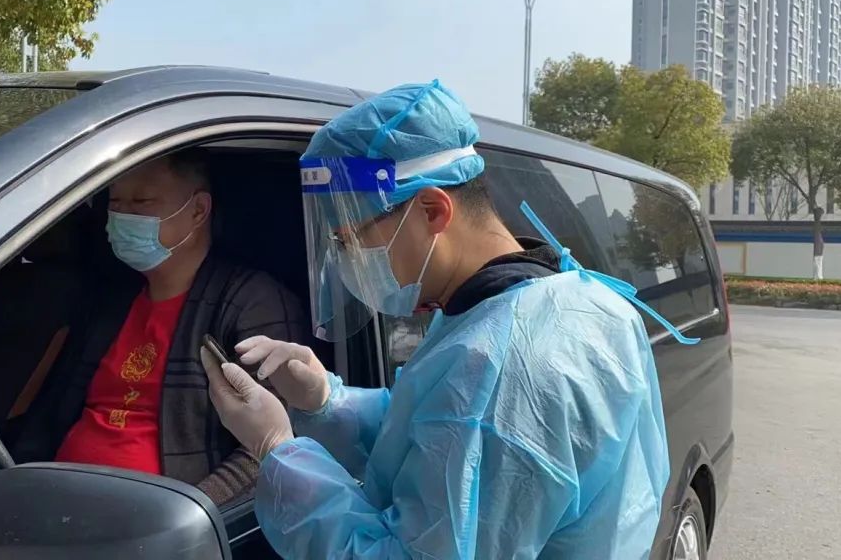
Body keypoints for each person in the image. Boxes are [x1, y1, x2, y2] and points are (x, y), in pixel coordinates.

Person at [201, 80, 698, 558]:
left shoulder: (498, 366)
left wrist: (277, 449)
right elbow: (431, 435)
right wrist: (326, 401)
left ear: (432, 211)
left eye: (351, 238)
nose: (346, 259)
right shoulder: (563, 300)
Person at [13, 149, 308, 506]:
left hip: (156, 524)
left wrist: (193, 514)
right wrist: (18, 480)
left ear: (198, 210)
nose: (123, 215)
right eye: (115, 203)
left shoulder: (252, 302)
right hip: (53, 502)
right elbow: (51, 410)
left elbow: (268, 448)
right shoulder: (112, 301)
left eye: (142, 202)